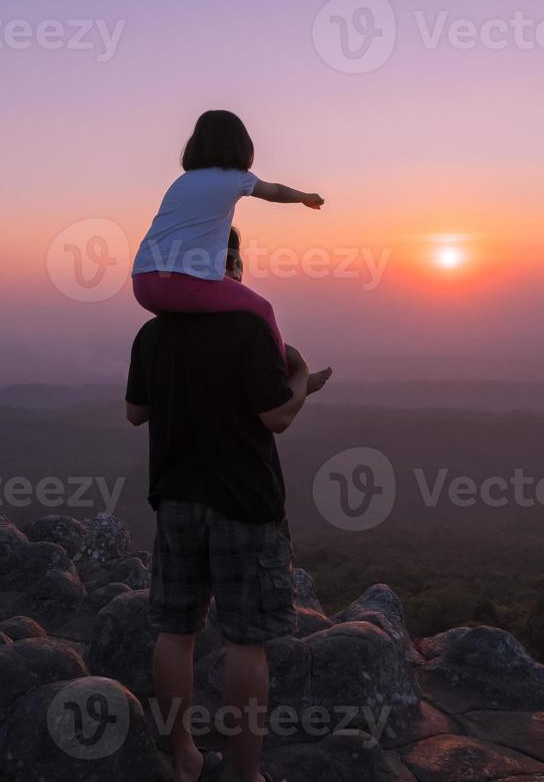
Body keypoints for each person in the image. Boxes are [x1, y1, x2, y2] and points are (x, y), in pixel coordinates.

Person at [126, 228, 332, 782]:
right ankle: (246, 775)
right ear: (227, 265)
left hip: (175, 498)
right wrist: (302, 376)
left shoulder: (153, 333)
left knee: (176, 631)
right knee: (246, 642)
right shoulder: (249, 328)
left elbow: (135, 412)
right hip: (244, 501)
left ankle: (186, 758)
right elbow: (276, 417)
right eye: (233, 258)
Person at [131, 109, 324, 359]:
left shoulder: (182, 181)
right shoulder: (237, 178)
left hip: (143, 283)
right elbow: (275, 191)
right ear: (241, 146)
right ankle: (283, 374)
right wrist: (304, 198)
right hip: (183, 283)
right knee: (262, 310)